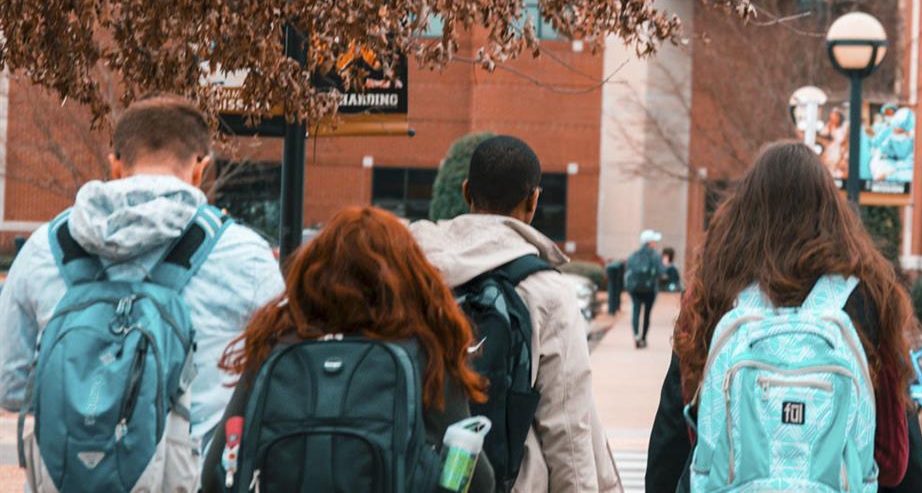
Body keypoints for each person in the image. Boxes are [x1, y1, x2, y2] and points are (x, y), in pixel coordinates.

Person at [0, 95, 283, 488]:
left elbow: (9, 386)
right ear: (202, 168)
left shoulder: (45, 248)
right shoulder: (245, 256)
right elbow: (277, 385)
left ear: (115, 164)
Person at [650, 141, 922, 491]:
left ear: (744, 212)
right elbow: (895, 459)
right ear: (832, 214)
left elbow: (674, 433)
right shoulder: (868, 297)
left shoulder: (714, 293)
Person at [200, 207, 494, 492]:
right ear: (408, 278)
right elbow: (478, 479)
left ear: (311, 274)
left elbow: (216, 471)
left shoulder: (276, 347)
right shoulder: (424, 353)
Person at [409, 135, 620, 492]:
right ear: (533, 200)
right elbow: (567, 426)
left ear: (465, 191)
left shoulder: (411, 270)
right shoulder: (545, 290)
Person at [625, 229, 665, 349]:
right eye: (654, 241)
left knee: (636, 311)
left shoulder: (634, 255)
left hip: (635, 289)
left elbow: (628, 269)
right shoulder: (655, 255)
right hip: (650, 290)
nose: (655, 243)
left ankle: (636, 336)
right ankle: (643, 338)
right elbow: (661, 271)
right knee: (647, 314)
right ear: (650, 242)